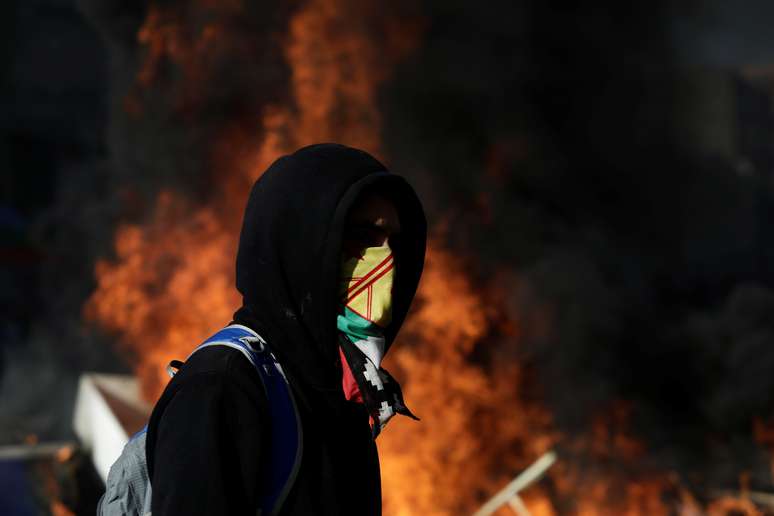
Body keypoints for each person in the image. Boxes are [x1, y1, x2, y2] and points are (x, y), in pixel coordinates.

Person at [145, 143, 427, 515]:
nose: (385, 262)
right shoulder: (222, 389)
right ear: (300, 244)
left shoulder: (343, 394)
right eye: (362, 237)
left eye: (394, 242)